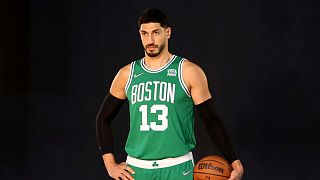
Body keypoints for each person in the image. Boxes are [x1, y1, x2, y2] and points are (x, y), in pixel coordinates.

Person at [96, 8, 244, 180]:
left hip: (178, 168)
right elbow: (102, 119)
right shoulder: (126, 74)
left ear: (168, 32)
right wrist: (110, 165)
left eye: (156, 32)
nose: (150, 40)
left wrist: (235, 161)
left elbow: (212, 122)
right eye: (144, 33)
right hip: (136, 170)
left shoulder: (188, 71)